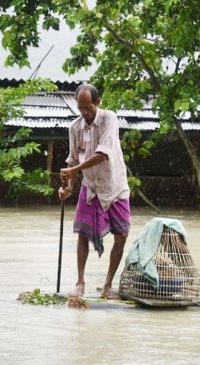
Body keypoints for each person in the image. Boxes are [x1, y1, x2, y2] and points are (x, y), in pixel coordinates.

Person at [58, 84, 131, 299]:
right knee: (82, 233)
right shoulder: (75, 128)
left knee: (122, 235)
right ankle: (80, 283)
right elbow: (72, 159)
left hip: (114, 185)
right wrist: (68, 187)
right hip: (90, 187)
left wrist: (74, 169)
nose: (85, 113)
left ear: (98, 103)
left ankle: (108, 286)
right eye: (80, 108)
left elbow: (103, 153)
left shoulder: (109, 119)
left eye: (88, 107)